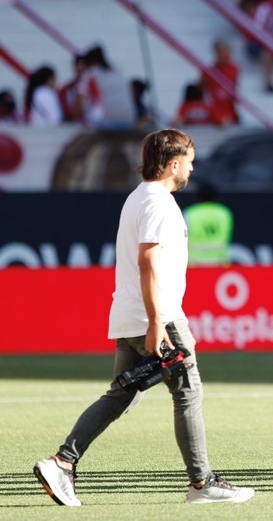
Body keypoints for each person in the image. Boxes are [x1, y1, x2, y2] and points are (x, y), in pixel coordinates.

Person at [33, 128, 254, 506]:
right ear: (173, 164)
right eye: (189, 161)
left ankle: (63, 462)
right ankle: (202, 483)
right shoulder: (157, 203)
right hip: (157, 316)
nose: (192, 168)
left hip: (131, 313)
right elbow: (148, 263)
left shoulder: (139, 197)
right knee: (188, 393)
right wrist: (156, 323)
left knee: (121, 395)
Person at [76, 46, 136, 130]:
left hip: (107, 122)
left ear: (90, 61)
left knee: (91, 114)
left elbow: (79, 101)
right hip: (129, 121)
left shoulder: (90, 73)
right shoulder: (118, 70)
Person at [184, 183, 234, 266]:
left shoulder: (189, 213)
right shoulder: (224, 213)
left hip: (195, 264)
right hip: (219, 263)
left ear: (197, 197)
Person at [200, 40, 240, 126]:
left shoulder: (234, 69)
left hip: (229, 105)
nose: (227, 54)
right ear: (217, 53)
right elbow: (201, 89)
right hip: (215, 106)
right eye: (224, 51)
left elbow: (235, 87)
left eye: (228, 51)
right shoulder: (208, 71)